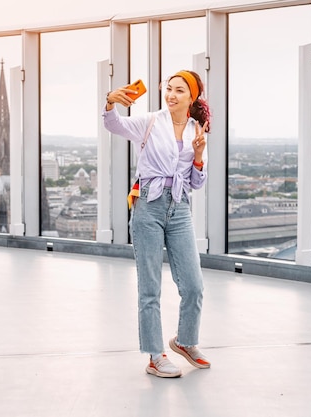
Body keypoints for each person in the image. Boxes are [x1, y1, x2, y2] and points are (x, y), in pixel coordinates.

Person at [102, 70, 211, 378]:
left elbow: (196, 182)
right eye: (168, 89)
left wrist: (199, 156)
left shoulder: (195, 130)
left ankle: (185, 341)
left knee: (193, 286)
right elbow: (114, 124)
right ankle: (154, 355)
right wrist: (110, 102)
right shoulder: (150, 121)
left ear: (191, 98)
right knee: (150, 288)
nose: (171, 95)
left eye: (179, 91)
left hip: (179, 208)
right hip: (148, 206)